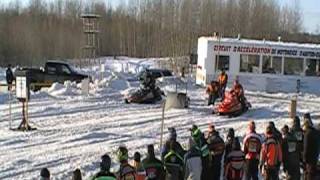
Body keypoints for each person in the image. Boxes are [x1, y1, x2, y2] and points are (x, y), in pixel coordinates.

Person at [302, 115, 320, 180]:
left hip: (309, 161)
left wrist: (304, 159)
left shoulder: (307, 134)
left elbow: (306, 148)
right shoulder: (316, 132)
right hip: (315, 159)